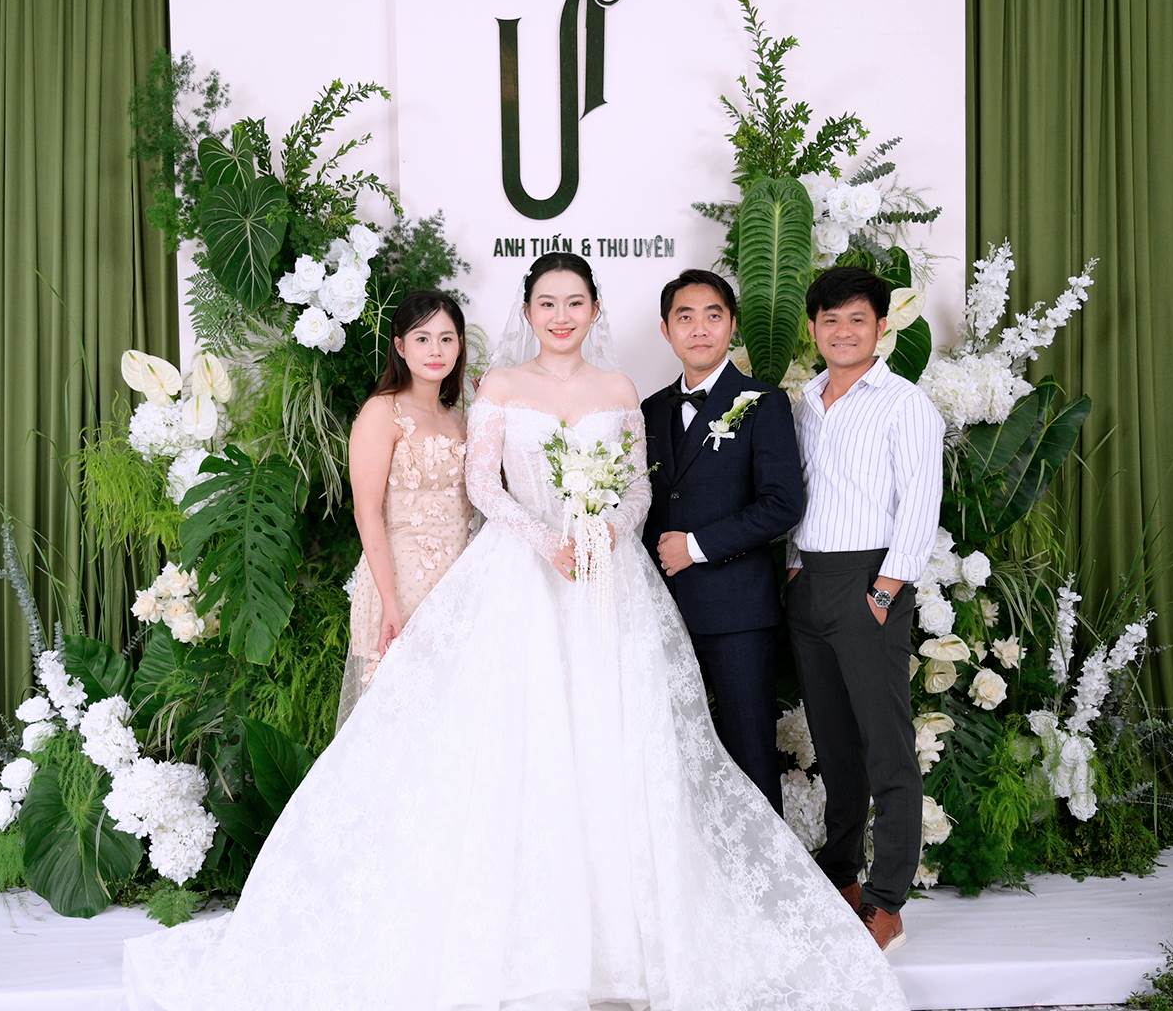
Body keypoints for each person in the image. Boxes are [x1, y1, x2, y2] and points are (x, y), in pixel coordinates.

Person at [121, 252, 906, 1010]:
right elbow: (482, 485)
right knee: (514, 743)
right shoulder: (499, 384)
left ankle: (627, 938)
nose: (561, 316)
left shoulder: (620, 388)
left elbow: (638, 489)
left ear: (595, 311)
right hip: (520, 575)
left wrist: (605, 532)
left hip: (607, 581)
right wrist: (546, 539)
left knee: (612, 739)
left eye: (575, 303)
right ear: (528, 312)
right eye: (546, 303)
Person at [785, 266, 945, 953]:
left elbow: (920, 503)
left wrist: (884, 590)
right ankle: (843, 876)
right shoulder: (805, 402)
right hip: (810, 580)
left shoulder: (905, 404)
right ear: (814, 328)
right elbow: (801, 492)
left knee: (886, 745)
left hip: (870, 580)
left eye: (857, 319)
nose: (843, 331)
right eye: (831, 320)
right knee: (834, 744)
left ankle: (887, 902)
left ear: (881, 328)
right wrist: (795, 567)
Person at [640, 268, 804, 812]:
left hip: (737, 613)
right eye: (685, 317)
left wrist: (696, 546)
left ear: (732, 325)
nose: (700, 329)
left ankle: (766, 867)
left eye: (713, 316)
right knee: (670, 756)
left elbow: (783, 504)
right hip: (663, 611)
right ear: (666, 330)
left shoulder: (763, 402)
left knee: (750, 752)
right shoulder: (651, 410)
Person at [337, 291, 476, 727]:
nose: (436, 350)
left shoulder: (459, 418)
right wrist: (390, 602)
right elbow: (366, 513)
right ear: (400, 346)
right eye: (422, 339)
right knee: (399, 722)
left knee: (452, 720)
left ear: (459, 346)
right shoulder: (383, 412)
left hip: (457, 583)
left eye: (446, 339)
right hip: (400, 581)